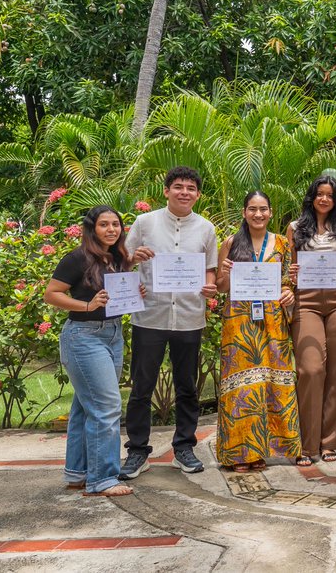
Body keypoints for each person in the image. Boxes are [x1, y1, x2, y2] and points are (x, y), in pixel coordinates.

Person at [120, 166, 219, 479]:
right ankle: (137, 452)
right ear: (166, 191)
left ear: (198, 194)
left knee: (187, 386)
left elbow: (210, 269)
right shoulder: (145, 222)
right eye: (178, 186)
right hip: (150, 314)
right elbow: (120, 258)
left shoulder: (205, 228)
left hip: (189, 316)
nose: (185, 192)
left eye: (191, 188)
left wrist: (209, 284)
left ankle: (184, 448)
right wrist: (134, 258)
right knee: (142, 387)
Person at [44, 206, 136, 497]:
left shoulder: (118, 257)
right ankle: (102, 479)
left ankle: (78, 473)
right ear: (91, 228)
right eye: (104, 225)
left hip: (112, 333)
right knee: (107, 406)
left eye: (116, 224)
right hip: (84, 336)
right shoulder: (77, 258)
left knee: (85, 407)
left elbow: (116, 293)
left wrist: (134, 293)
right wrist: (87, 305)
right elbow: (52, 294)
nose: (111, 229)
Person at [214, 191, 301, 472]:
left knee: (274, 381)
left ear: (271, 212)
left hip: (273, 320)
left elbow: (288, 281)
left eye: (263, 209)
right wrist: (225, 273)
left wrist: (289, 294)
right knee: (242, 387)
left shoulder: (282, 244)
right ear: (244, 213)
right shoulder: (230, 243)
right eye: (252, 209)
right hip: (239, 322)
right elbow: (220, 287)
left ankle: (272, 449)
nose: (258, 214)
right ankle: (240, 454)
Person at [287, 176, 336, 466]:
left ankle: (329, 442)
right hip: (307, 301)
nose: (324, 199)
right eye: (319, 194)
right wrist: (290, 275)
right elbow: (288, 265)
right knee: (311, 368)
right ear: (311, 197)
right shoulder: (295, 228)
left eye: (330, 195)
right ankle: (307, 444)